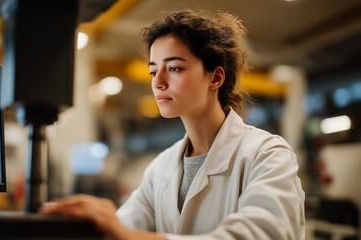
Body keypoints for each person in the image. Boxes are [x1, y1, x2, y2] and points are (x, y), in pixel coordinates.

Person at [40, 10, 306, 240]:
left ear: (215, 78)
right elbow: (121, 229)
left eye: (175, 68)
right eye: (154, 71)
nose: (158, 82)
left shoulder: (267, 154)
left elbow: (264, 234)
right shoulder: (161, 168)